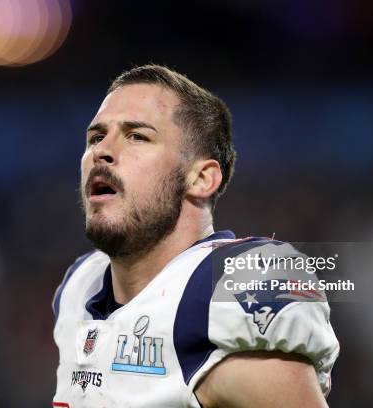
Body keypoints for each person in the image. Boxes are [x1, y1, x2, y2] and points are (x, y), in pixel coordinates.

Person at [52, 64, 339, 407]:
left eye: (137, 136)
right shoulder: (78, 288)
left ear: (202, 178)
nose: (102, 150)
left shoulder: (227, 287)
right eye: (96, 137)